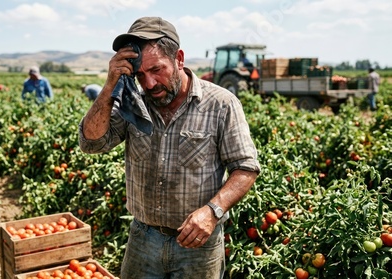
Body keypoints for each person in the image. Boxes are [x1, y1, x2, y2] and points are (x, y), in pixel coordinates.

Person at [79, 17, 260, 278]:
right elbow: (91, 143)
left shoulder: (220, 104)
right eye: (140, 74)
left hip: (198, 244)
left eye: (157, 69)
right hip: (143, 238)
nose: (150, 83)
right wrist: (110, 85)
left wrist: (213, 211)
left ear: (179, 59)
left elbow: (246, 167)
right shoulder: (133, 103)